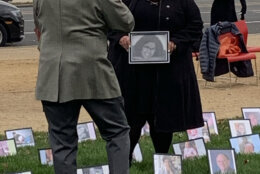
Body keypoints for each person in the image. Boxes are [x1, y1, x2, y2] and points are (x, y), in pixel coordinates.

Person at [33, 0, 134, 173]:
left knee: (62, 142)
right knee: (117, 132)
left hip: (53, 72)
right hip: (92, 69)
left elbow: (38, 27)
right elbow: (126, 21)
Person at [108, 0, 204, 163]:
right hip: (133, 75)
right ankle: (124, 162)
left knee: (163, 121)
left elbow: (195, 26)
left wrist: (175, 42)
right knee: (130, 121)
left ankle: (162, 161)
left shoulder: (183, 2)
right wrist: (121, 38)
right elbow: (109, 23)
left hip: (167, 75)